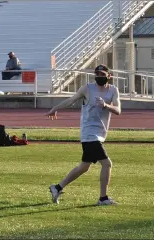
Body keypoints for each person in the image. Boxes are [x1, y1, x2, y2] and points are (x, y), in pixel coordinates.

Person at [45, 64, 121, 206]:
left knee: (84, 167)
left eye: (102, 75)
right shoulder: (87, 88)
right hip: (89, 134)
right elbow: (70, 100)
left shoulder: (113, 90)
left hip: (99, 133)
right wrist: (55, 108)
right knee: (107, 164)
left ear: (109, 76)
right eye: (97, 74)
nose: (99, 77)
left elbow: (118, 110)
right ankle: (103, 198)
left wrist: (105, 105)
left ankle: (57, 188)